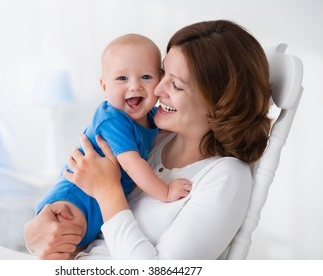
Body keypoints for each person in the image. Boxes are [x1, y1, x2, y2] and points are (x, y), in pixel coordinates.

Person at [24, 19, 272, 260]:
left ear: (219, 103)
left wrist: (108, 191)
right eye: (162, 73)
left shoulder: (225, 177)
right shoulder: (150, 139)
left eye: (174, 84)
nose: (156, 89)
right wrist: (35, 235)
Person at [34, 34, 192, 249]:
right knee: (61, 246)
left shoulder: (152, 117)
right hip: (74, 199)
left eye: (146, 77)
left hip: (99, 204)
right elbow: (132, 164)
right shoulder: (112, 118)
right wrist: (165, 191)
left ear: (159, 78)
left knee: (75, 251)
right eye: (121, 79)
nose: (134, 86)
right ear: (104, 86)